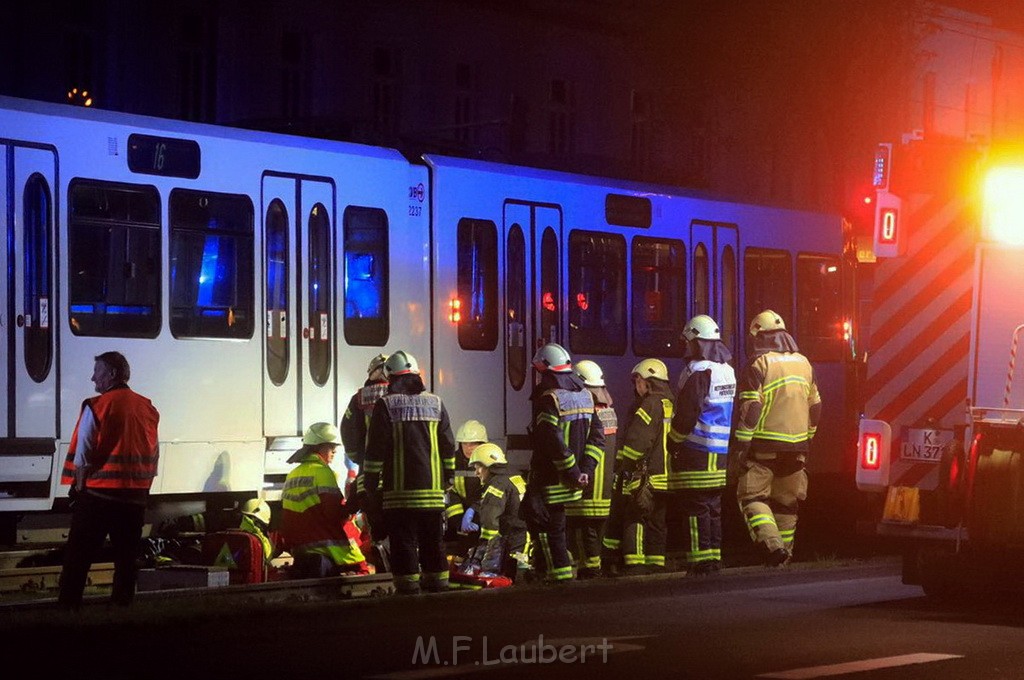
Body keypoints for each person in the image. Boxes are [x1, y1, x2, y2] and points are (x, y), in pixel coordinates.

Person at [58, 351, 160, 609]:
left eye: (98, 372)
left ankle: (68, 606)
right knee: (126, 558)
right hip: (135, 499)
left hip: (98, 497)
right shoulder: (147, 407)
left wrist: (79, 488)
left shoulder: (97, 405)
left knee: (78, 556)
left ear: (112, 374)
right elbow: (153, 452)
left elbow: (83, 454)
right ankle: (121, 606)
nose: (93, 378)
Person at [364, 350, 457, 594]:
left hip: (400, 494)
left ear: (391, 378)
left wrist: (371, 484)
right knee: (433, 541)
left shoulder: (386, 405)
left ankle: (408, 591)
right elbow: (448, 444)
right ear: (416, 375)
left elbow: (375, 448)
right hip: (433, 492)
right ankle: (438, 585)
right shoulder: (436, 403)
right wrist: (449, 477)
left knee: (403, 542)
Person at [734, 310, 821, 567]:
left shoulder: (758, 365)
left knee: (751, 497)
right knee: (786, 504)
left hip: (764, 448)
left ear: (758, 336)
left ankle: (772, 545)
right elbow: (816, 407)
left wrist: (742, 445)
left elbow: (752, 410)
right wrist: (808, 438)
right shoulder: (805, 363)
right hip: (798, 448)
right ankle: (784, 557)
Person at [522, 342, 601, 583]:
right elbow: (597, 439)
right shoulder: (587, 396)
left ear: (546, 371)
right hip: (573, 480)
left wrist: (572, 471)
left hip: (551, 479)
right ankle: (557, 574)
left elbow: (552, 442)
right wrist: (585, 470)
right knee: (556, 527)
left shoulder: (550, 400)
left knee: (547, 528)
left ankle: (558, 577)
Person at [668, 315, 736, 575]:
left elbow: (687, 412)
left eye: (689, 341)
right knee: (712, 509)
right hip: (719, 453)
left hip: (696, 451)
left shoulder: (700, 372)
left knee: (695, 509)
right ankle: (713, 559)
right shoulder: (727, 370)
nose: (686, 346)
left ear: (697, 342)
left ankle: (699, 562)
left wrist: (673, 441)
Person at [607, 358, 674, 575]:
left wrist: (627, 466)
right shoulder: (672, 403)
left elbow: (638, 441)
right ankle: (656, 563)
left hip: (647, 475)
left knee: (635, 516)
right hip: (668, 477)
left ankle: (635, 563)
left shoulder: (649, 404)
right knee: (657, 521)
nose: (637, 386)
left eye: (638, 380)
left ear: (648, 382)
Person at [282, 423, 369, 578]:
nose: (334, 451)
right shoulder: (323, 473)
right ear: (318, 447)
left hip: (302, 552)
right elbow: (334, 514)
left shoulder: (292, 475)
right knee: (363, 571)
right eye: (330, 447)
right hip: (327, 551)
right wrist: (352, 506)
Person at [566, 359, 617, 579]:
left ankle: (589, 570)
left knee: (582, 532)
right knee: (597, 532)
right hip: (604, 488)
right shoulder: (610, 412)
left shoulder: (588, 413)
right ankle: (595, 567)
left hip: (588, 484)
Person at [340, 353, 391, 568]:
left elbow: (347, 430)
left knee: (375, 525)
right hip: (396, 474)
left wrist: (357, 457)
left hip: (368, 473)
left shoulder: (359, 399)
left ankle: (383, 564)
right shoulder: (400, 397)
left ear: (372, 373)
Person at [459, 443, 528, 581]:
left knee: (500, 580)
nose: (476, 473)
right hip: (521, 537)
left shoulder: (497, 484)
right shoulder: (512, 476)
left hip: (509, 539)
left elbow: (490, 520)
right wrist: (475, 507)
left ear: (489, 466)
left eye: (478, 467)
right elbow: (504, 501)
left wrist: (484, 555)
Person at [153, 498, 277, 564]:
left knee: (184, 553)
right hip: (235, 574)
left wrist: (176, 524)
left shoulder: (232, 518)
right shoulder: (265, 543)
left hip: (212, 561)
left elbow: (202, 521)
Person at [444, 419, 489, 542]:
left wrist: (473, 509)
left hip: (481, 511)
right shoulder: (453, 461)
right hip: (457, 509)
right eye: (465, 444)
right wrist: (457, 520)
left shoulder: (488, 462)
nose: (468, 448)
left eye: (473, 444)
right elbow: (448, 488)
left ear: (481, 444)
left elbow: (491, 491)